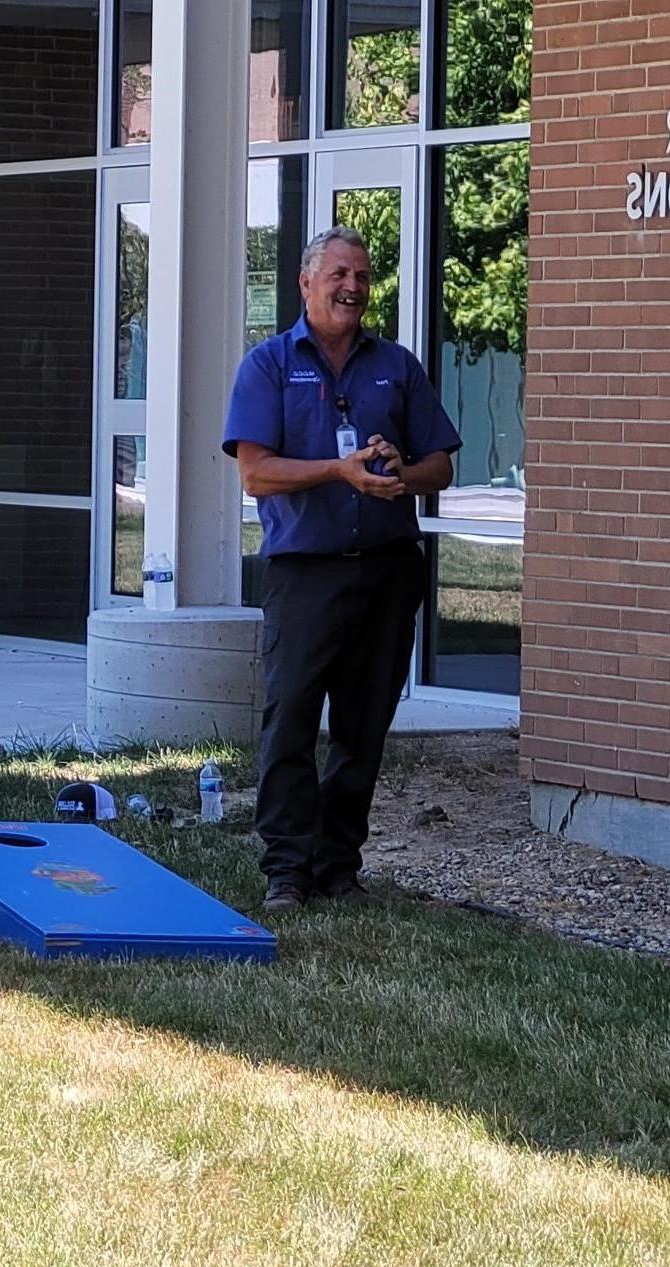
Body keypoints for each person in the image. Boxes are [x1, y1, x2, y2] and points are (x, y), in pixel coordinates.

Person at [222, 226, 461, 913]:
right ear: (305, 283)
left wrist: (395, 476)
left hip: (387, 569)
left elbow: (439, 464)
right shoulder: (268, 365)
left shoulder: (395, 365)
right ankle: (286, 871)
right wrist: (337, 470)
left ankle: (337, 865)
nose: (351, 287)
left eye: (360, 276)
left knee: (363, 728)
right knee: (291, 719)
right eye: (337, 275)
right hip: (306, 572)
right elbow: (256, 473)